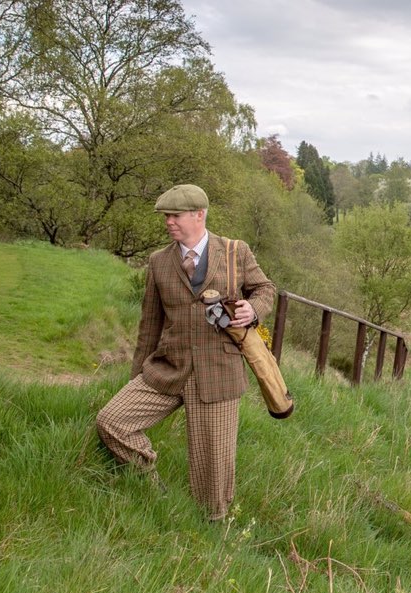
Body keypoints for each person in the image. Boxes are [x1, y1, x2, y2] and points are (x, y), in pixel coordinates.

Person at [96, 184, 276, 521]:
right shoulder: (159, 262)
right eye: (166, 217)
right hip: (168, 369)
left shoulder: (236, 252)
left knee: (213, 472)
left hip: (218, 374)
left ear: (199, 214)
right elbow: (149, 325)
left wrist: (253, 309)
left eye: (174, 215)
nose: (168, 222)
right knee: (112, 421)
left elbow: (265, 289)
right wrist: (136, 377)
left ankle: (211, 528)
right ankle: (151, 486)